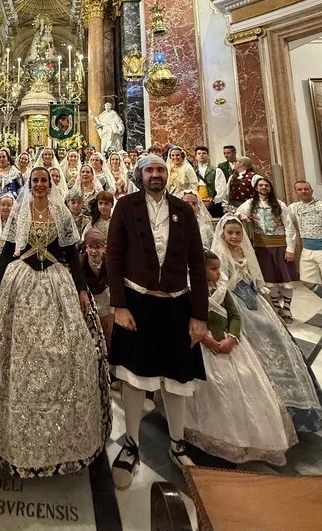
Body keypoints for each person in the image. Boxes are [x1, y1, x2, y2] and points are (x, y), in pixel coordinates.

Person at [0, 167, 109, 476]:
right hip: (21, 280)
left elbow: (71, 254)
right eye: (35, 181)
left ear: (51, 184)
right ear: (29, 184)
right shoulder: (20, 211)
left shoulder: (61, 213)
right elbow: (7, 251)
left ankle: (62, 438)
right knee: (17, 352)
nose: (39, 185)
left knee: (69, 351)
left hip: (56, 281)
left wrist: (81, 289)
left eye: (44, 181)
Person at [107, 154, 208, 489]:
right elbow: (114, 256)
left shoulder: (183, 210)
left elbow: (197, 262)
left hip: (177, 304)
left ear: (168, 175)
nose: (155, 174)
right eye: (149, 170)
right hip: (137, 303)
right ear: (140, 175)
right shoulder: (125, 206)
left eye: (160, 170)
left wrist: (199, 314)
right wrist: (119, 305)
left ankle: (178, 444)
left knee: (177, 379)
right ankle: (131, 444)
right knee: (135, 378)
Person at [212, 216, 322, 432]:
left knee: (277, 337)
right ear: (222, 234)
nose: (235, 236)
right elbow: (220, 283)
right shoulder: (219, 253)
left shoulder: (245, 250)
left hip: (254, 299)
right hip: (235, 301)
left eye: (238, 232)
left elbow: (255, 276)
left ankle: (296, 404)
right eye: (230, 233)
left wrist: (262, 293)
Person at [184, 251, 296, 465]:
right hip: (204, 346)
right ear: (200, 270)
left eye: (218, 268)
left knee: (248, 378)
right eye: (213, 269)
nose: (218, 273)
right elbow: (188, 319)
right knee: (216, 384)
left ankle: (250, 435)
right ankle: (217, 436)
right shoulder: (191, 293)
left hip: (230, 344)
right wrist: (207, 340)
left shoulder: (221, 289)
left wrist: (232, 338)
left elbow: (235, 315)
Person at [237, 175, 297, 322]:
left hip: (280, 244)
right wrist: (242, 216)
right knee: (269, 279)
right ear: (256, 188)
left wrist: (290, 249)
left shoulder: (279, 204)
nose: (263, 187)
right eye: (261, 185)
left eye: (266, 185)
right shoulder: (251, 203)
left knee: (286, 279)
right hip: (262, 246)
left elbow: (289, 226)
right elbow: (237, 212)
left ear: (270, 188)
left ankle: (287, 308)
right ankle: (276, 306)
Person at [289, 181, 322, 330]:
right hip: (307, 250)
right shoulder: (294, 208)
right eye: (300, 189)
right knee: (306, 280)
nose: (303, 191)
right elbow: (288, 225)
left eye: (306, 189)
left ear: (311, 190)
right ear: (296, 192)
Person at [80, 228, 114, 347]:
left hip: (105, 298)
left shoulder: (109, 262)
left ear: (103, 248)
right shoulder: (80, 263)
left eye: (97, 248)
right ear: (86, 248)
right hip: (88, 298)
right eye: (91, 247)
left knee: (108, 329)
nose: (94, 251)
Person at [193, 146, 226, 218]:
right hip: (196, 204)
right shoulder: (192, 171)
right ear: (195, 156)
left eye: (204, 153)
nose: (201, 155)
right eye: (199, 153)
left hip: (213, 205)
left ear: (208, 156)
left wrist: (213, 202)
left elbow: (221, 189)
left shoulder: (216, 171)